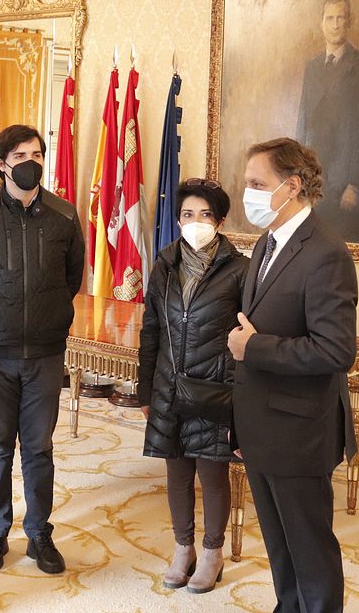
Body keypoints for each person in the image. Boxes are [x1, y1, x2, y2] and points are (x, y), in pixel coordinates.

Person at [227, 137, 358, 613]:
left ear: (292, 186)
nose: (249, 195)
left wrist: (254, 347)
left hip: (300, 430)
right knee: (280, 548)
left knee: (309, 549)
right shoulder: (267, 241)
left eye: (257, 184)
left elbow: (335, 349)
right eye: (248, 184)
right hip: (262, 425)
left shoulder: (326, 253)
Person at [0, 124, 84, 574]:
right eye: (22, 154)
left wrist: (43, 316)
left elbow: (73, 279)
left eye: (39, 153)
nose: (33, 161)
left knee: (39, 448)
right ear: (2, 164)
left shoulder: (65, 215)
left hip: (45, 353)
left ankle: (40, 535)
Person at [138, 178, 249, 594]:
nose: (195, 222)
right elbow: (151, 330)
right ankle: (182, 548)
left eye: (204, 215)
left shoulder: (239, 270)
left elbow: (245, 337)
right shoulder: (164, 264)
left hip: (214, 388)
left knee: (211, 471)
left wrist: (239, 399)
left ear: (219, 221)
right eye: (187, 215)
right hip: (168, 385)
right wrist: (145, 389)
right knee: (177, 471)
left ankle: (211, 552)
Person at [295, 0, 359, 243]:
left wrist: (355, 184)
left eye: (340, 18)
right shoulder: (312, 67)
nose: (334, 24)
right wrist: (297, 175)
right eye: (329, 18)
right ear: (321, 23)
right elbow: (303, 121)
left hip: (344, 182)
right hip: (313, 178)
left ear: (349, 22)